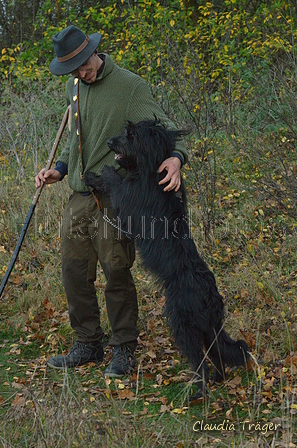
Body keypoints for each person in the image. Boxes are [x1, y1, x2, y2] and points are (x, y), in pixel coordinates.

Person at [35, 25, 188, 377]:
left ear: (93, 52)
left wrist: (176, 157)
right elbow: (79, 140)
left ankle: (123, 348)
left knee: (116, 270)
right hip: (79, 195)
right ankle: (87, 343)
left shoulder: (130, 86)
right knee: (74, 271)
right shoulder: (75, 86)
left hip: (114, 198)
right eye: (72, 71)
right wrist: (60, 169)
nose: (80, 75)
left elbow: (165, 127)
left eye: (83, 67)